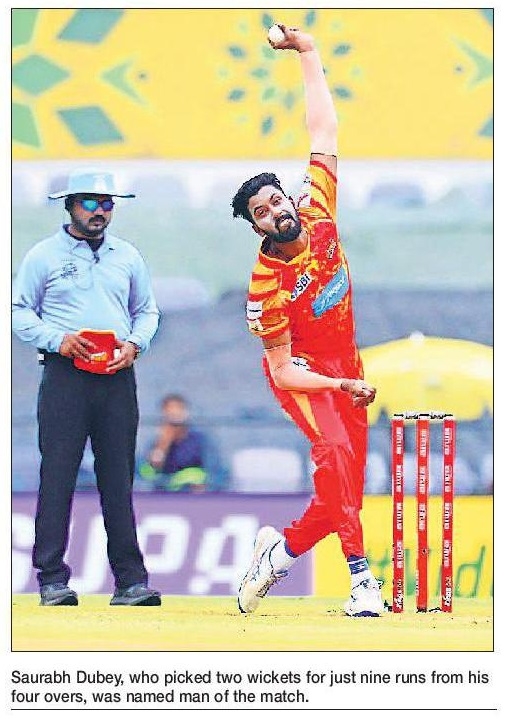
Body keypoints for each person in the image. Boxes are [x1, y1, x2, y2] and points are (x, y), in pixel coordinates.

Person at [232, 26, 384, 617]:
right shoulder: (264, 286)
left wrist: (309, 52)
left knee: (345, 487)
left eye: (277, 199)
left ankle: (281, 551)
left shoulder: (318, 209)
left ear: (289, 198)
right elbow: (282, 371)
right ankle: (362, 581)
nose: (276, 211)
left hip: (347, 365)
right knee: (337, 456)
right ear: (256, 228)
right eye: (262, 212)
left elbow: (324, 130)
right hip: (303, 375)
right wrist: (339, 384)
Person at [12, 168, 162, 607]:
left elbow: (146, 311)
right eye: (91, 202)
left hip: (116, 375)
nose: (100, 211)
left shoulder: (126, 255)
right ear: (69, 206)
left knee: (118, 477)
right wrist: (57, 339)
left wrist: (135, 344)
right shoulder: (43, 256)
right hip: (66, 376)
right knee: (58, 474)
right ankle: (51, 579)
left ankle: (130, 582)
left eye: (107, 203)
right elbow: (18, 311)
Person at [139, 393, 225, 492]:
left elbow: (216, 473)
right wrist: (162, 446)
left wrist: (205, 485)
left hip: (195, 494)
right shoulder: (155, 444)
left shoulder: (201, 441)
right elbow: (148, 477)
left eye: (178, 410)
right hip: (165, 495)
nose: (174, 417)